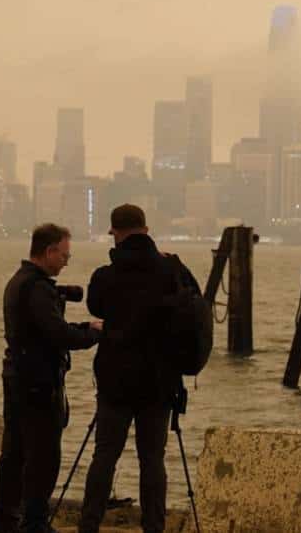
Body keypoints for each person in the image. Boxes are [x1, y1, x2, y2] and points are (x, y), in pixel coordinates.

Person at [76, 205, 200, 533]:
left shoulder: (105, 276)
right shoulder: (170, 269)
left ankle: (89, 525)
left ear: (115, 233)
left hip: (115, 378)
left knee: (105, 455)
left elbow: (96, 306)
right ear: (146, 229)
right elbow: (195, 303)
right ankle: (154, 527)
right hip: (159, 381)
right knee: (152, 459)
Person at [0, 223, 104, 533]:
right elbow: (56, 334)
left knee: (14, 453)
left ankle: (5, 520)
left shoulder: (20, 282)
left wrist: (81, 327)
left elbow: (44, 328)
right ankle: (35, 522)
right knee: (43, 456)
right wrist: (92, 335)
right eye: (65, 254)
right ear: (50, 250)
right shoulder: (37, 287)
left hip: (17, 376)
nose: (67, 260)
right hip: (38, 383)